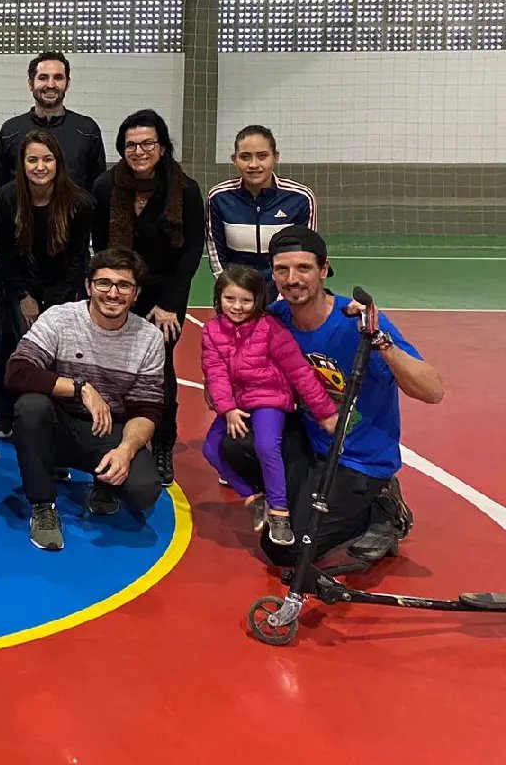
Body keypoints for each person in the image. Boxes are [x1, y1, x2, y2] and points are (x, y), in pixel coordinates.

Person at [220, 226, 443, 567]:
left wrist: (380, 340)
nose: (292, 279)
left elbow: (432, 391)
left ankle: (381, 507)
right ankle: (294, 502)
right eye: (282, 269)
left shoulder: (356, 323)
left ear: (324, 269)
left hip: (358, 459)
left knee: (287, 552)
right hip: (310, 444)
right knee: (234, 441)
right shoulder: (276, 319)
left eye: (303, 268)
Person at [5, 248, 165, 552]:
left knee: (144, 491)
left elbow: (147, 409)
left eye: (124, 285)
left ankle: (105, 479)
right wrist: (80, 389)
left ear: (136, 293)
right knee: (30, 407)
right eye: (104, 283)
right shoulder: (60, 318)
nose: (113, 293)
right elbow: (17, 372)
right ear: (89, 286)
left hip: (107, 430)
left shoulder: (149, 338)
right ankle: (43, 506)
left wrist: (126, 450)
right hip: (59, 426)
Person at [91, 109, 204, 486]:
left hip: (164, 296)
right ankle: (115, 437)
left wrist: (171, 303)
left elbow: (191, 251)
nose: (139, 151)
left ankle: (162, 443)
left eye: (147, 144)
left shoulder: (185, 189)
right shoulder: (105, 186)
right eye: (131, 145)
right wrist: (111, 291)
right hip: (118, 291)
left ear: (163, 147)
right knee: (110, 366)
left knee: (160, 371)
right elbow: (100, 246)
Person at [200, 265, 338, 547]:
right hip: (238, 403)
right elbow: (215, 372)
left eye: (246, 300)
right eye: (229, 299)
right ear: (218, 298)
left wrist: (325, 411)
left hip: (269, 398)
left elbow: (299, 371)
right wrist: (227, 409)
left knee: (266, 445)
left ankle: (279, 511)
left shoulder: (269, 328)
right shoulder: (212, 331)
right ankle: (254, 497)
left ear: (258, 301)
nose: (237, 307)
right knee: (211, 448)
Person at [0, 129, 95, 438]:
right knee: (10, 341)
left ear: (58, 162)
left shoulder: (80, 202)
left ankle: (59, 414)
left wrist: (53, 303)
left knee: (59, 351)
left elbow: (78, 260)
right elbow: (6, 256)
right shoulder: (6, 198)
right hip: (18, 284)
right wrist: (25, 296)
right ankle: (4, 412)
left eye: (47, 159)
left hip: (63, 288)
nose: (40, 167)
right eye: (32, 160)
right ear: (22, 164)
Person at [207, 124, 317, 292]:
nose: (253, 164)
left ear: (275, 157)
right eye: (245, 157)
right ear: (234, 160)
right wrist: (233, 291)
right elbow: (216, 253)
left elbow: (306, 255)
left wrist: (284, 298)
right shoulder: (218, 197)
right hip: (237, 293)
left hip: (287, 293)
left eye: (262, 156)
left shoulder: (300, 198)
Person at [0, 53, 106, 195]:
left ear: (67, 83)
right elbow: (2, 186)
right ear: (31, 84)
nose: (51, 85)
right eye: (43, 77)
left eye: (58, 78)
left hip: (75, 210)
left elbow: (96, 186)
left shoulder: (87, 130)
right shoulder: (11, 131)